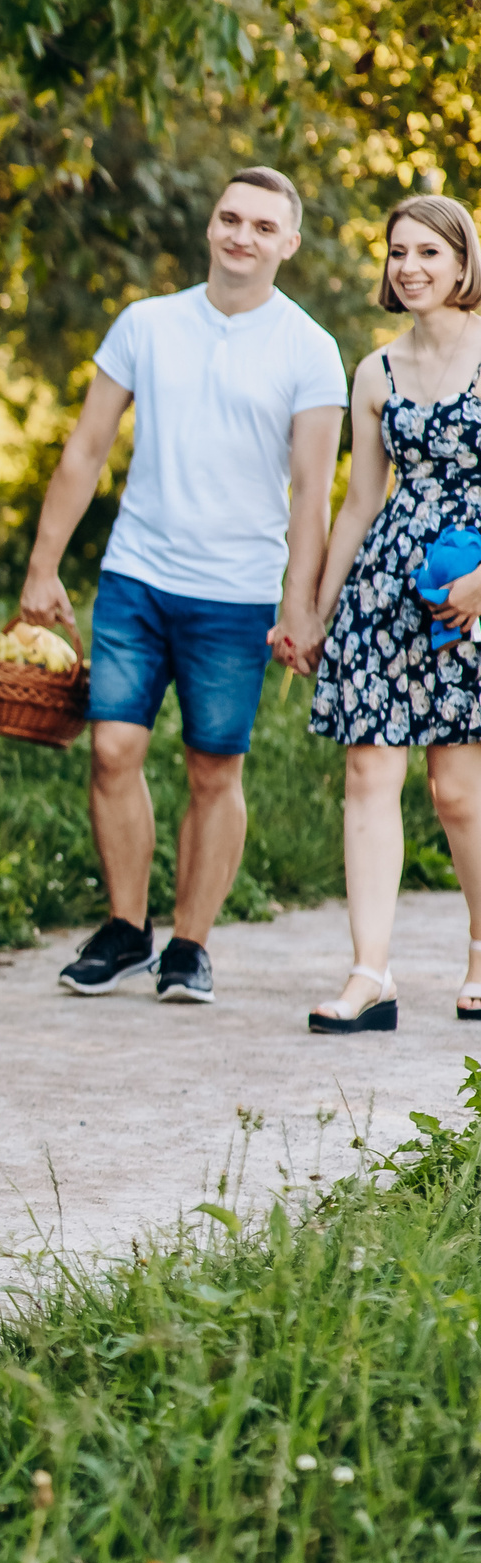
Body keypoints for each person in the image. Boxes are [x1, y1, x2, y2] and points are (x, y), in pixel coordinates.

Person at [21, 167, 348, 1004]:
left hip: (236, 593)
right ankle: (126, 928)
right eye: (230, 218)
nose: (242, 236)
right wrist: (43, 565)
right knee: (111, 749)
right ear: (210, 225)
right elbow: (86, 447)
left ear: (289, 243)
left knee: (213, 770)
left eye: (263, 226)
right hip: (136, 575)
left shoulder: (309, 349)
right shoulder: (147, 323)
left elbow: (313, 493)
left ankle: (190, 945)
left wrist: (300, 603)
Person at [294, 194, 481, 1033]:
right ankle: (370, 974)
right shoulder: (375, 370)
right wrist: (316, 609)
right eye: (398, 252)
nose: (409, 267)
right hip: (385, 593)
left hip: (468, 598)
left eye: (428, 253)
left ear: (463, 262)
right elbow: (359, 504)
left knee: (458, 792)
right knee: (368, 775)